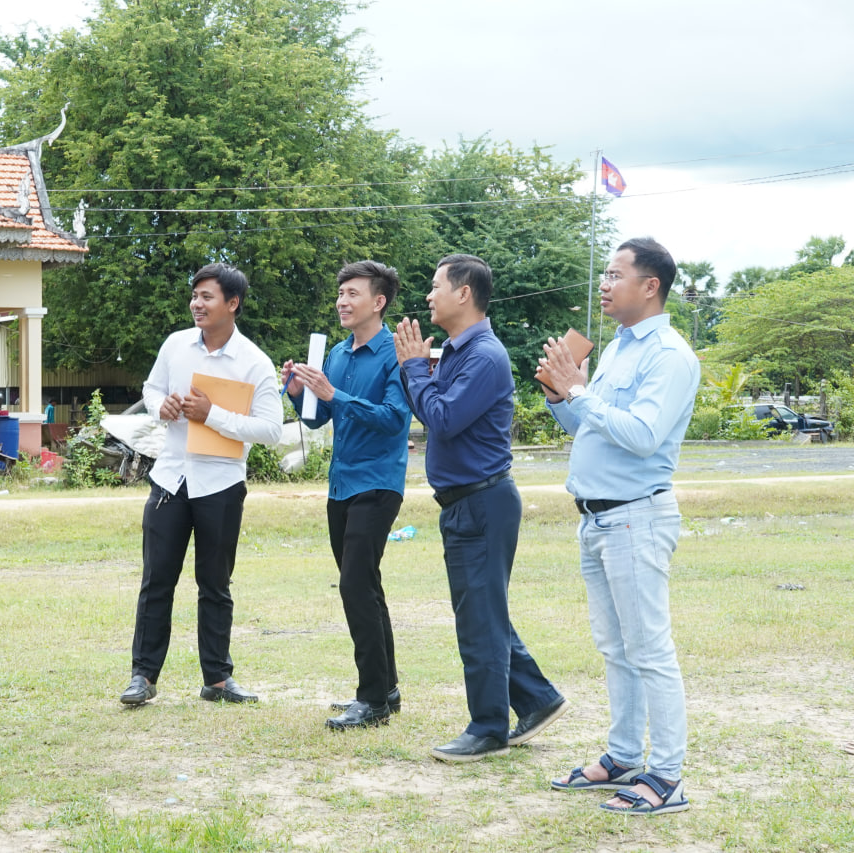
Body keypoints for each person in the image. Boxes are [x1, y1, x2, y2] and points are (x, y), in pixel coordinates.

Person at [540, 237, 699, 815]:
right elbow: (592, 426)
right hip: (597, 519)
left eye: (614, 275)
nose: (603, 285)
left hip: (636, 516)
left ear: (650, 286)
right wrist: (562, 395)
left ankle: (667, 777)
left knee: (649, 648)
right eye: (604, 274)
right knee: (616, 647)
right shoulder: (617, 349)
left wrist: (580, 392)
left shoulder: (670, 355)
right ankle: (624, 756)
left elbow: (643, 436)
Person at [394, 253, 567, 762]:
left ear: (464, 293)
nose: (429, 296)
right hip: (465, 502)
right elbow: (428, 409)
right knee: (481, 613)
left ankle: (488, 728)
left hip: (482, 501)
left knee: (480, 620)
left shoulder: (485, 356)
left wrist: (414, 368)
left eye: (435, 286)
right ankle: (538, 699)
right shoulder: (455, 351)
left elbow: (443, 419)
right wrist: (415, 371)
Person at [119, 263, 283, 706]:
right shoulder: (175, 345)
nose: (197, 303)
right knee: (156, 581)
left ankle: (218, 679)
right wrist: (162, 406)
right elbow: (151, 389)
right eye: (195, 295)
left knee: (215, 584)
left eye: (207, 296)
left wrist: (213, 415)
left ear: (233, 303)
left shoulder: (254, 362)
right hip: (170, 479)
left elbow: (271, 429)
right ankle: (142, 677)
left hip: (221, 484)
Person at [281, 261, 410, 730]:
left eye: (353, 293)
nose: (342, 301)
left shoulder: (396, 353)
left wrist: (334, 394)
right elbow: (317, 418)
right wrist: (298, 391)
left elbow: (394, 418)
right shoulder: (336, 353)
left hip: (378, 483)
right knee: (365, 584)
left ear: (379, 301)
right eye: (340, 293)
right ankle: (386, 690)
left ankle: (370, 699)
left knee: (355, 584)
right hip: (341, 486)